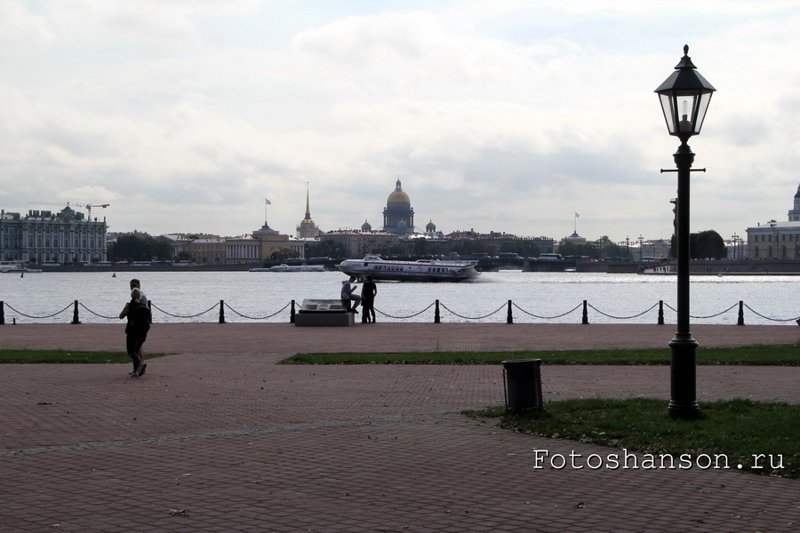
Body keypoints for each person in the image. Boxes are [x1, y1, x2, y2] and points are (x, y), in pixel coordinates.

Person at [119, 287, 151, 377]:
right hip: (143, 332)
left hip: (132, 331)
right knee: (136, 351)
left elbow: (121, 316)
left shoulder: (129, 305)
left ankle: (140, 364)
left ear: (131, 295)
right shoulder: (144, 306)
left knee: (131, 351)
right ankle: (136, 371)